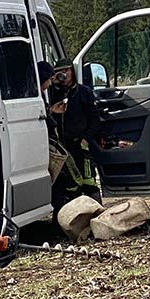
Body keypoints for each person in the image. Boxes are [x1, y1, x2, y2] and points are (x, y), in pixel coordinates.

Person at [46, 63, 103, 205]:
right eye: (58, 72)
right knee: (66, 186)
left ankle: (98, 215)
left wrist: (86, 139)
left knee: (89, 183)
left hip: (81, 146)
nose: (63, 75)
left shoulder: (84, 92)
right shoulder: (50, 93)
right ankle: (68, 220)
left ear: (73, 71)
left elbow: (95, 120)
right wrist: (52, 108)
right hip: (61, 149)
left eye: (65, 71)